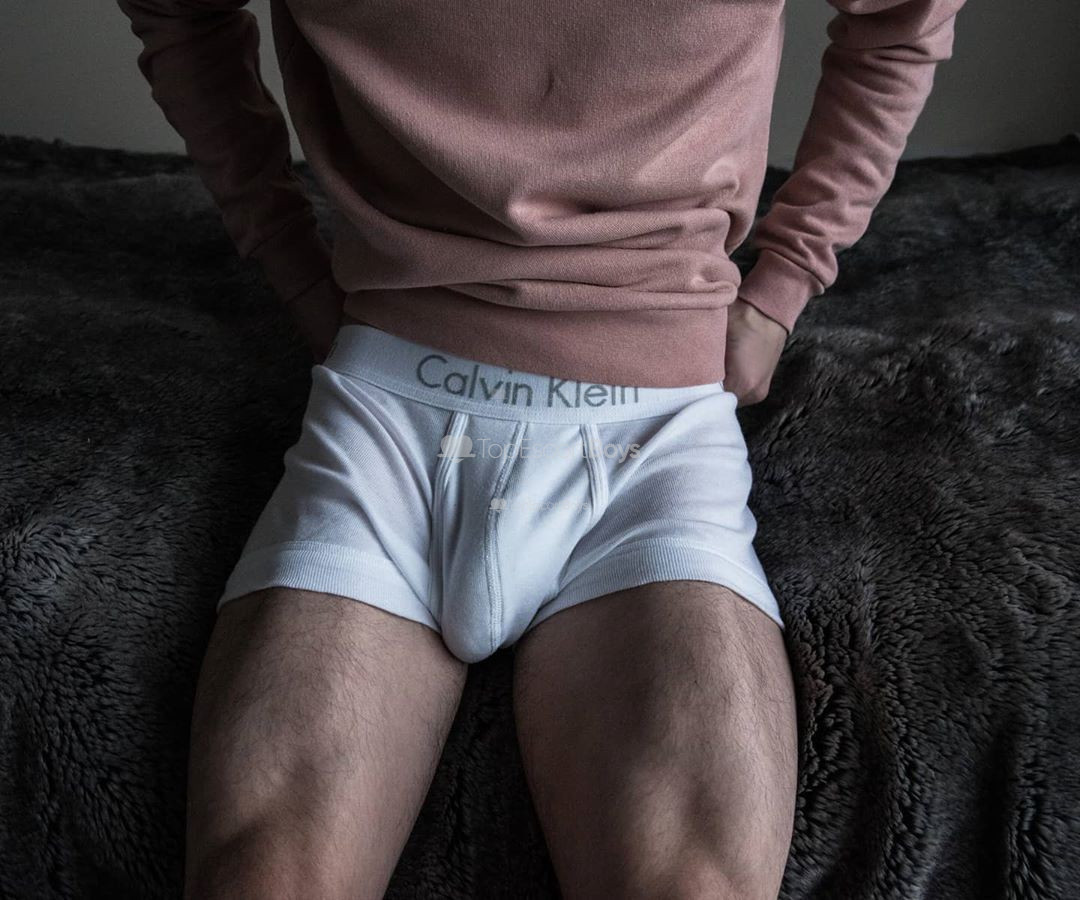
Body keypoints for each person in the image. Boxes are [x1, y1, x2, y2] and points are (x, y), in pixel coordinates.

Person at [116, 0, 965, 896]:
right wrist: (289, 262)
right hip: (385, 423)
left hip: (654, 446)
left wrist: (788, 276)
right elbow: (180, 14)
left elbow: (904, 16)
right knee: (260, 881)